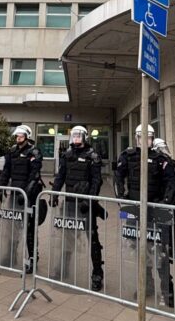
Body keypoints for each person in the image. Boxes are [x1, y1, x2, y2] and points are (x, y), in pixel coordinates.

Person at [115, 124, 175, 307]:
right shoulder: (128, 156)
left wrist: (165, 203)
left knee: (160, 252)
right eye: (142, 137)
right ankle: (147, 286)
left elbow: (172, 182)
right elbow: (118, 176)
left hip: (155, 210)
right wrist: (121, 198)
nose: (145, 141)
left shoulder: (160, 158)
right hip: (134, 209)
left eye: (148, 138)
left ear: (152, 139)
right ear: (137, 138)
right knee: (138, 248)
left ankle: (167, 291)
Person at [52, 125, 104, 291]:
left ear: (84, 137)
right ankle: (63, 268)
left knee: (92, 239)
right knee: (67, 237)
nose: (75, 138)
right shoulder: (67, 155)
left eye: (78, 135)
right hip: (69, 203)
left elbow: (96, 181)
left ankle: (97, 274)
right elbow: (60, 177)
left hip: (85, 205)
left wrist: (90, 200)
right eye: (73, 135)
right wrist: (54, 194)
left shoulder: (92, 156)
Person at [0, 125, 43, 272]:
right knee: (12, 226)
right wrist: (2, 187)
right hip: (14, 193)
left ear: (27, 136)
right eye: (17, 135)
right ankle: (10, 255)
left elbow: (35, 174)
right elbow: (6, 171)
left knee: (29, 228)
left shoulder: (34, 151)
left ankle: (32, 259)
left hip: (27, 195)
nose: (18, 137)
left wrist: (26, 193)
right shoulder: (12, 151)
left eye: (21, 135)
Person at [154, 138, 175, 262]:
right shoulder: (158, 162)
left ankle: (170, 248)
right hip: (162, 199)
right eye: (161, 148)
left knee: (171, 225)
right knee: (163, 226)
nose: (164, 150)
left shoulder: (169, 163)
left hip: (168, 200)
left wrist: (168, 200)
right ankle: (164, 248)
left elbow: (173, 183)